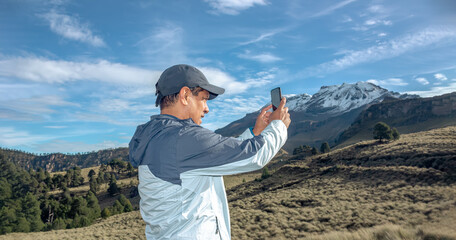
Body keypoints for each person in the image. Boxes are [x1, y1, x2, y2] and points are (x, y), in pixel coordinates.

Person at [129, 64, 291, 239]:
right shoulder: (183, 137)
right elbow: (255, 155)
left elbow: (222, 153)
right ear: (185, 95)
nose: (207, 108)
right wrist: (278, 125)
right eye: (203, 99)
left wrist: (255, 132)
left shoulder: (159, 136)